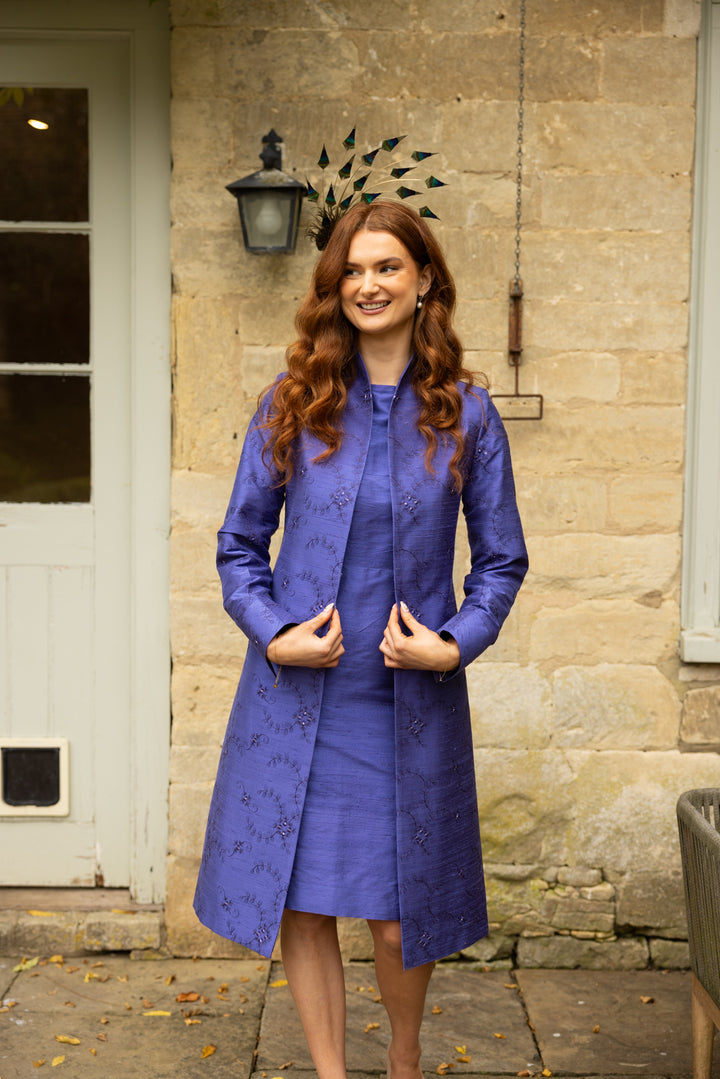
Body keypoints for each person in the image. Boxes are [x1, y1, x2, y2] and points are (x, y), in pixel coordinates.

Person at [194, 199, 528, 1079]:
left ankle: (404, 1064)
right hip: (301, 697)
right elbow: (238, 546)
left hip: (407, 699)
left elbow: (501, 561)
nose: (369, 284)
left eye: (388, 267)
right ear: (332, 286)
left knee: (396, 913)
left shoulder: (469, 414)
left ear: (424, 282)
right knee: (305, 906)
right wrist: (274, 635)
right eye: (353, 269)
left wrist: (453, 645)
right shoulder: (293, 403)